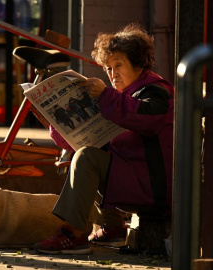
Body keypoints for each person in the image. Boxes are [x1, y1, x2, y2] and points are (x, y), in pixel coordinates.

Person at [34, 23, 174, 255]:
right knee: (82, 153)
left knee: (87, 158)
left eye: (118, 65)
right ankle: (113, 228)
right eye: (108, 68)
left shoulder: (156, 90)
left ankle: (73, 233)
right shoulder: (122, 96)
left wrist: (106, 96)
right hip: (134, 178)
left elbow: (148, 119)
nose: (112, 74)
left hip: (154, 185)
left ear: (138, 63)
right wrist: (58, 124)